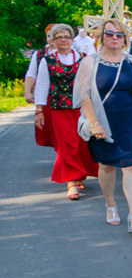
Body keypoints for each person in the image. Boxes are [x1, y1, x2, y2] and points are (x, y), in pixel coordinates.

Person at [74, 20, 132, 232]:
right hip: (102, 121)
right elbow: (84, 96)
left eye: (119, 34)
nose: (115, 37)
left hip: (131, 121)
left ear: (125, 38)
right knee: (106, 166)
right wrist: (93, 123)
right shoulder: (90, 62)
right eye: (109, 34)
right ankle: (110, 205)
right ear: (102, 37)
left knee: (131, 166)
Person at [33, 23, 98, 199]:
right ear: (53, 40)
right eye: (59, 37)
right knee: (66, 143)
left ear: (72, 39)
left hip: (81, 107)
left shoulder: (84, 57)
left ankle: (78, 175)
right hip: (58, 108)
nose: (63, 40)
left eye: (66, 36)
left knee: (81, 142)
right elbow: (42, 85)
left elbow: (92, 82)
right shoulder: (48, 60)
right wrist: (39, 110)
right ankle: (71, 182)